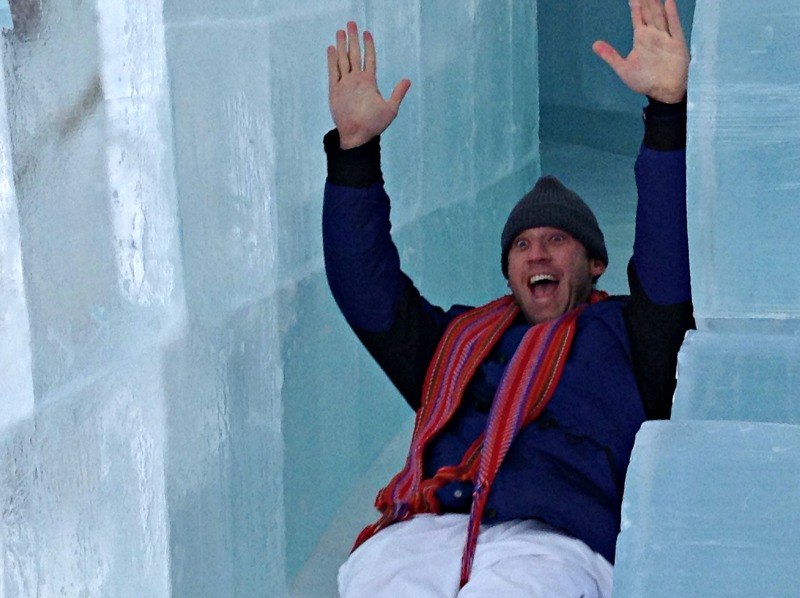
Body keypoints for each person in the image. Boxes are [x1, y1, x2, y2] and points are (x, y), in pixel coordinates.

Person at [322, 0, 693, 595]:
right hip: (427, 522)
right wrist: (355, 153)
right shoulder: (457, 343)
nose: (538, 253)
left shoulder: (632, 336)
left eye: (557, 239)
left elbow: (669, 260)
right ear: (508, 271)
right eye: (522, 243)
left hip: (555, 536)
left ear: (595, 263)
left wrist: (666, 115)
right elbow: (365, 290)